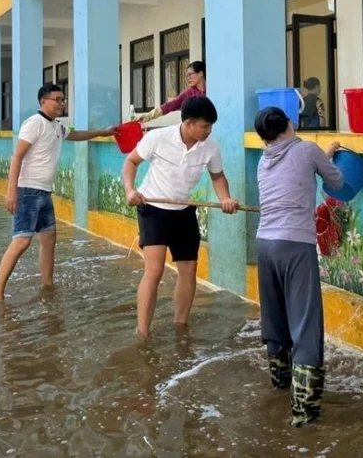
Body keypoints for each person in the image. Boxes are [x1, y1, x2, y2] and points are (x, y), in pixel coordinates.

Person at [253, 106, 344, 427]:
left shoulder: (264, 160)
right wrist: (325, 156)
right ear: (289, 123)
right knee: (306, 325)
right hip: (295, 246)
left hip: (265, 244)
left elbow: (292, 162)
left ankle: (279, 388)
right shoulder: (306, 149)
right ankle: (304, 417)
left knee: (275, 318)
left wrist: (318, 153)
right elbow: (336, 181)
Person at [122, 95, 239, 339]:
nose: (209, 131)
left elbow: (217, 176)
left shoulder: (210, 146)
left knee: (189, 268)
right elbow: (131, 162)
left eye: (210, 126)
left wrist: (225, 198)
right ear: (188, 124)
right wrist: (130, 190)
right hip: (153, 207)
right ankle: (143, 332)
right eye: (205, 126)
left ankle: (180, 327)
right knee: (154, 270)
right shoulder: (158, 138)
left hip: (184, 209)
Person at [0, 84, 116, 301]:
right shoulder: (34, 124)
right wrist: (11, 192)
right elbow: (17, 157)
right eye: (57, 99)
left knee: (49, 238)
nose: (62, 103)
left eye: (63, 99)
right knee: (21, 241)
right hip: (27, 191)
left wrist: (103, 132)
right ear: (43, 102)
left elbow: (76, 135)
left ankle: (47, 286)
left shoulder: (56, 127)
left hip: (44, 192)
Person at [135, 60, 206, 122]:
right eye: (187, 76)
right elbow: (169, 105)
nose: (188, 78)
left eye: (190, 74)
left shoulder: (214, 89)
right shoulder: (188, 93)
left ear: (200, 73)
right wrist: (148, 116)